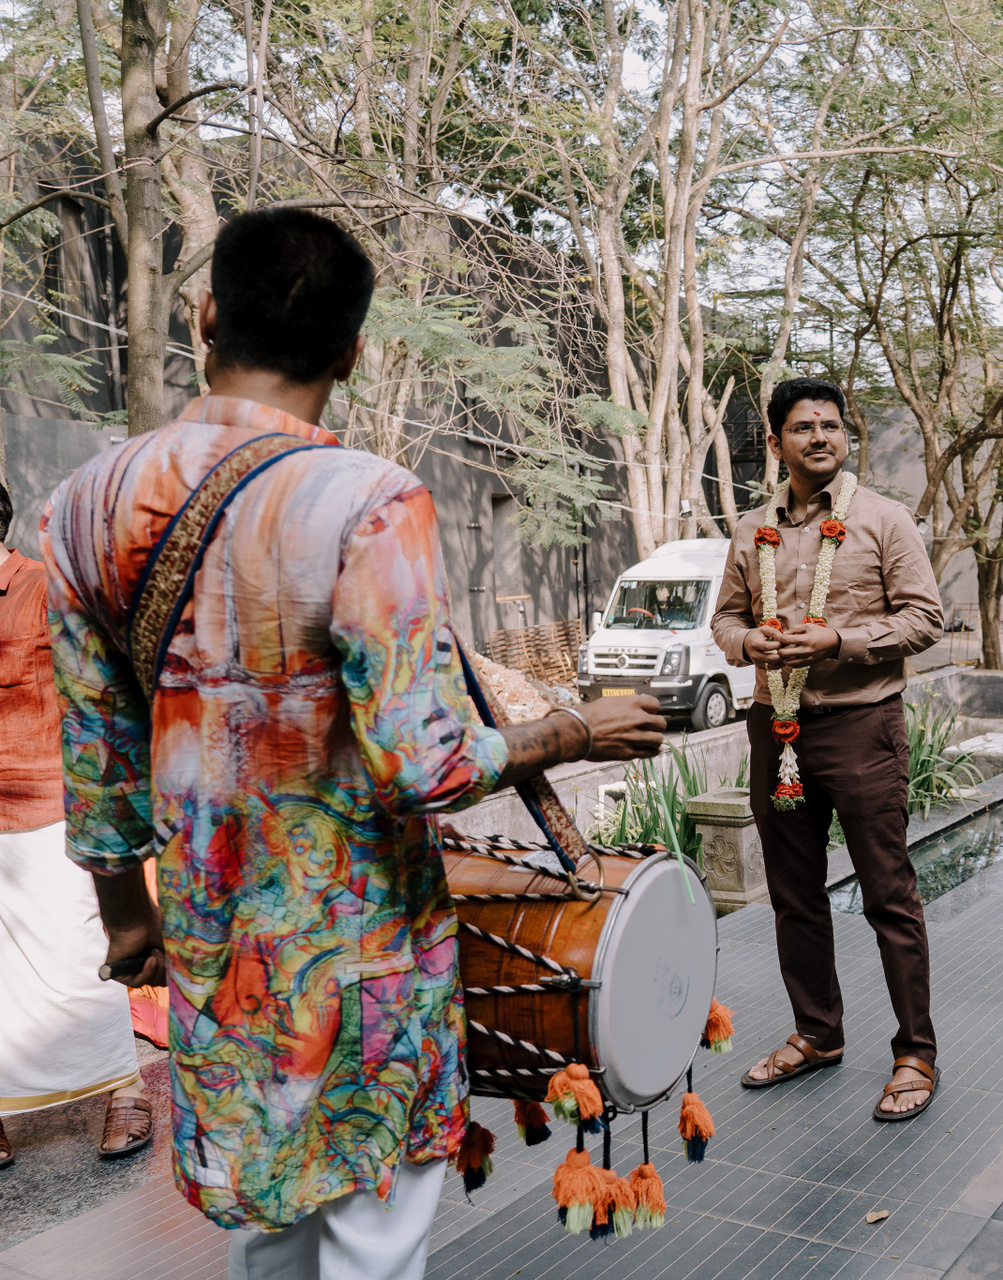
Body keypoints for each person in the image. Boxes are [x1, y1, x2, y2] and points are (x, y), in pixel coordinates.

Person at [39, 208, 667, 1280]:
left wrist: (127, 917)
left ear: (206, 315)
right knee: (374, 1244)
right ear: (353, 351)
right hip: (362, 953)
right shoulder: (370, 500)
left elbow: (100, 757)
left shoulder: (85, 503)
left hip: (215, 948)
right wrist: (576, 727)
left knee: (267, 1231)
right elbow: (426, 764)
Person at [711, 377, 945, 1121]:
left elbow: (925, 619)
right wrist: (746, 642)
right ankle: (817, 1033)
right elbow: (725, 621)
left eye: (832, 426)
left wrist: (837, 640)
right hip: (775, 729)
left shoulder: (884, 519)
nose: (821, 437)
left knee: (888, 895)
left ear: (846, 438)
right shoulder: (751, 530)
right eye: (804, 427)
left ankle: (916, 1052)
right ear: (775, 442)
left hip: (861, 728)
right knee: (794, 895)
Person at [0, 479, 155, 1168]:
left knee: (82, 951)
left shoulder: (42, 590)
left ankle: (125, 1091)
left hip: (48, 804)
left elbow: (92, 699)